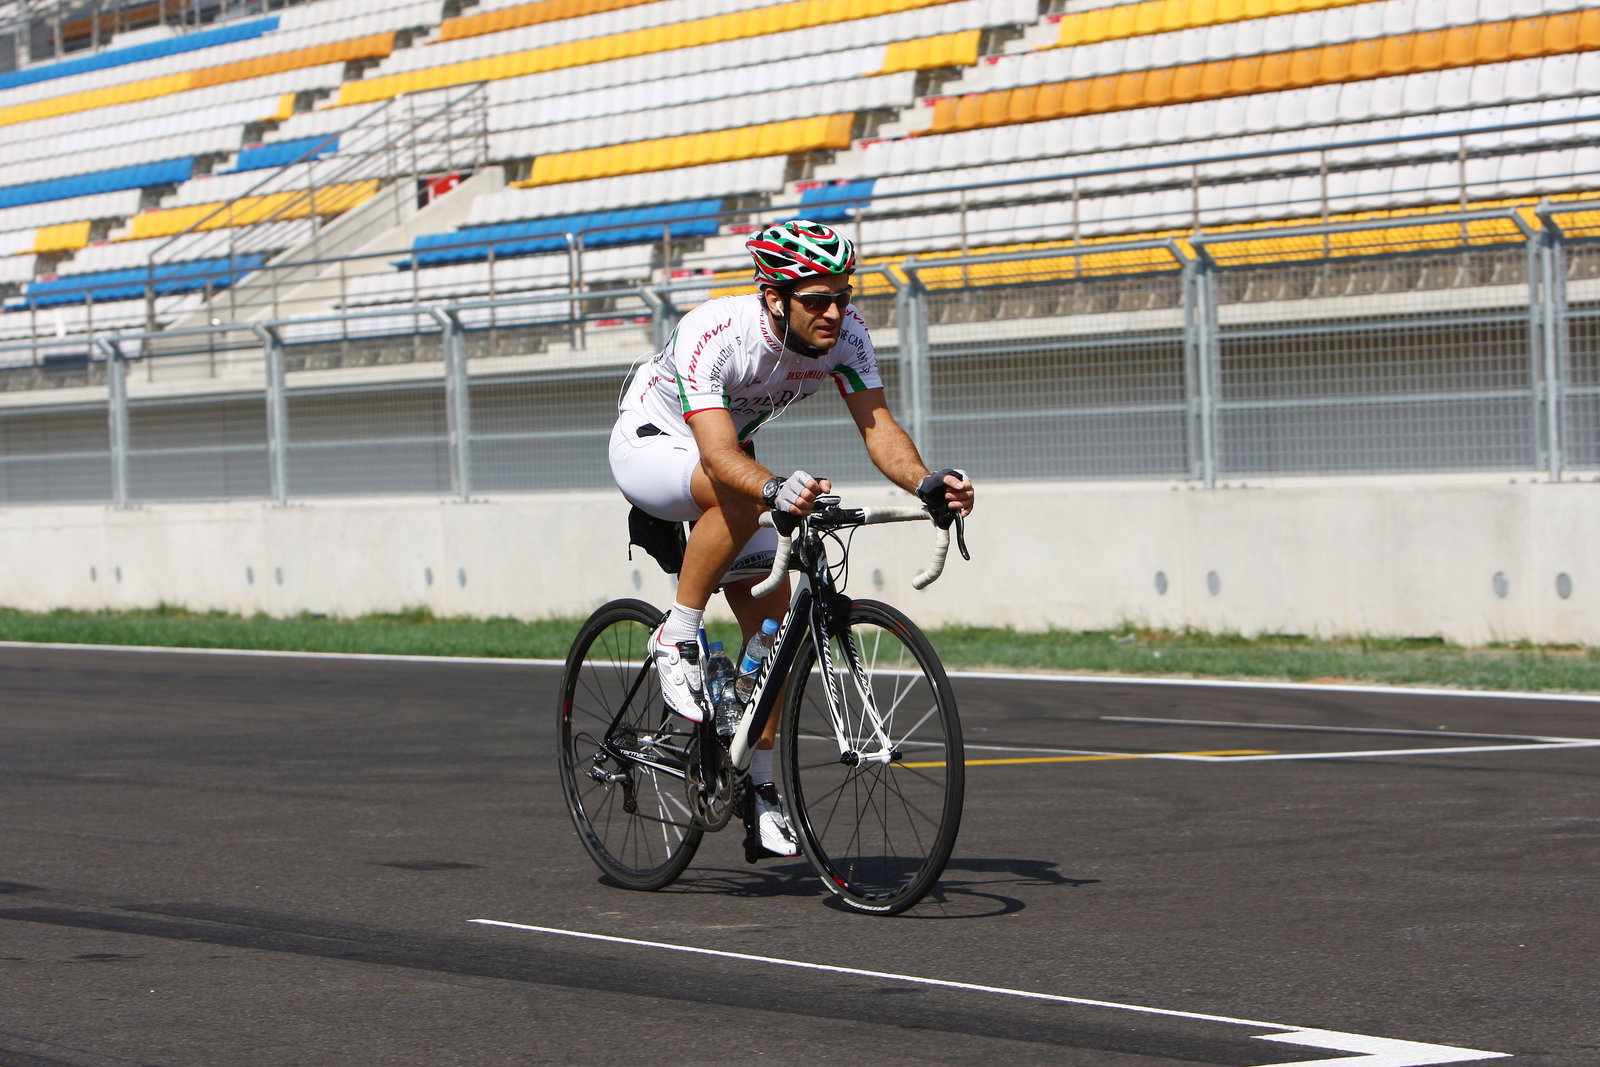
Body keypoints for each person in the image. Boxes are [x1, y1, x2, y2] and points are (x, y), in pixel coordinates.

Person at [609, 219, 974, 862]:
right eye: (817, 300)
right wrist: (774, 489)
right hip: (653, 443)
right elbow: (721, 456)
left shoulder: (847, 335)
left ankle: (761, 789)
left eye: (843, 294)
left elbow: (879, 427)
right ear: (775, 297)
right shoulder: (717, 333)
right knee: (745, 492)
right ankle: (677, 631)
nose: (835, 311)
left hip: (725, 461)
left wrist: (926, 481)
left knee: (775, 634)